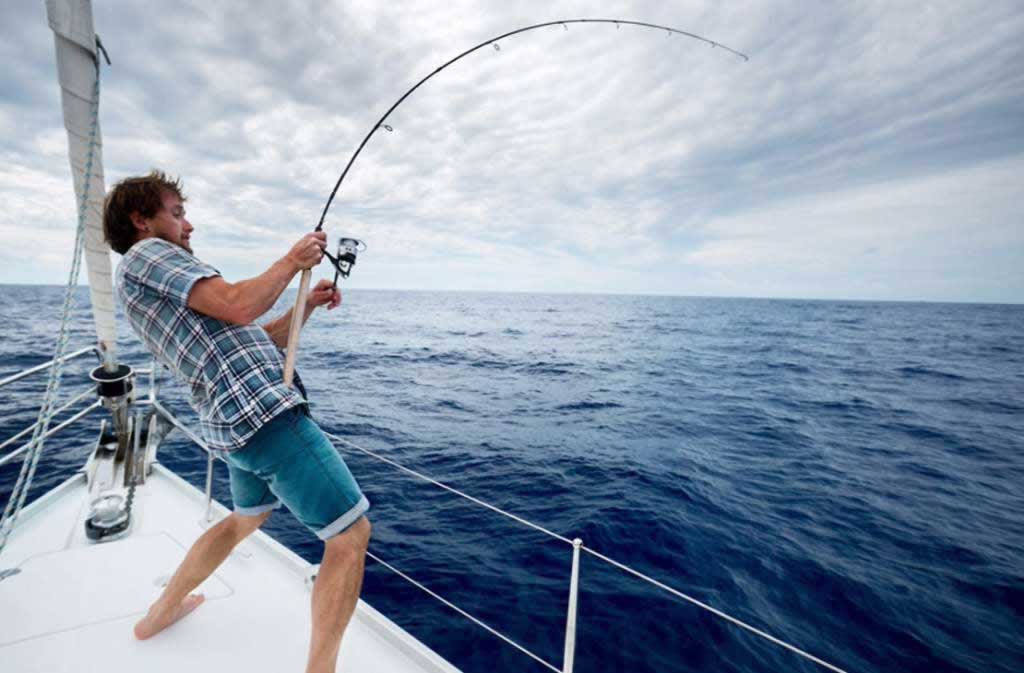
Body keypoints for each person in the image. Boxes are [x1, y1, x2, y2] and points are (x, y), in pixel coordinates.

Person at [103, 170, 370, 673]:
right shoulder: (147, 255)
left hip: (232, 425)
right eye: (177, 213)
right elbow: (238, 304)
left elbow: (256, 335)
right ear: (141, 221)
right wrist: (293, 260)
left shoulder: (155, 278)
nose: (189, 225)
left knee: (244, 520)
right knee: (350, 534)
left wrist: (304, 304)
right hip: (264, 415)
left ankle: (160, 614)